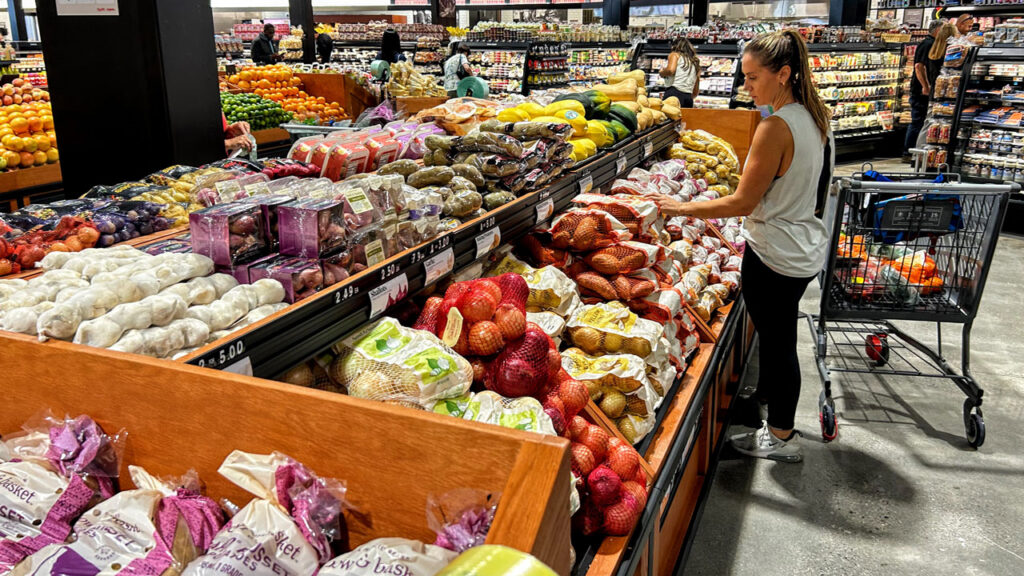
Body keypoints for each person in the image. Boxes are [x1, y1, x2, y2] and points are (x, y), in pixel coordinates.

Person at [655, 29, 834, 463]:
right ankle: (768, 403)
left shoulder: (774, 128)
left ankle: (782, 436)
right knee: (779, 335)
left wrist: (681, 208)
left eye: (753, 78)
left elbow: (742, 202)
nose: (746, 87)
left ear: (784, 74)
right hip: (802, 245)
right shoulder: (813, 115)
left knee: (778, 344)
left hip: (775, 252)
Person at [904, 19, 944, 161]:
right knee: (918, 121)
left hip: (924, 89)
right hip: (920, 91)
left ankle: (913, 152)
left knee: (920, 121)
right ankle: (908, 153)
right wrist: (925, 86)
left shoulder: (933, 44)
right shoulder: (927, 44)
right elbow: (919, 67)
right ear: (938, 30)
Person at [659, 37, 700, 108]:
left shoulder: (674, 55)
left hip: (674, 94)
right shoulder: (695, 62)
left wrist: (661, 72)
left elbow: (670, 70)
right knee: (685, 118)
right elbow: (696, 88)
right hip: (688, 97)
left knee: (670, 118)